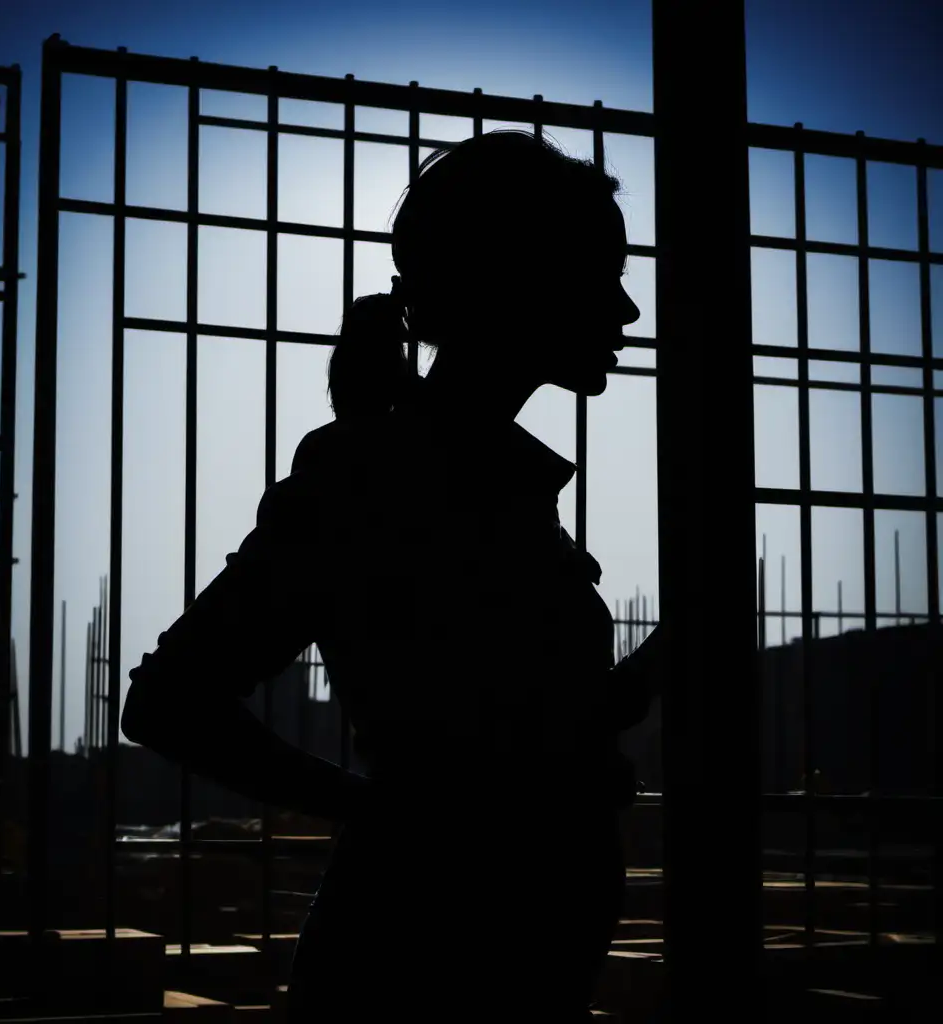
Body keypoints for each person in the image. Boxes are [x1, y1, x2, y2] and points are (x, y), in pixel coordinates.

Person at [121, 129, 662, 1022]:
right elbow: (169, 699)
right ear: (519, 281)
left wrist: (641, 681)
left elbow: (502, 732)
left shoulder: (446, 477)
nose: (627, 310)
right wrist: (389, 817)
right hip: (427, 967)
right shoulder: (378, 475)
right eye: (603, 274)